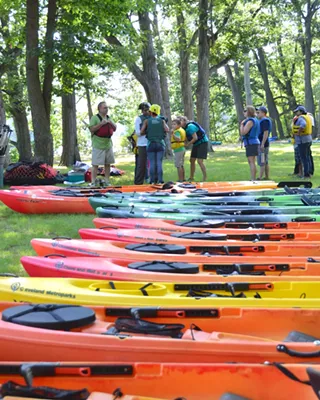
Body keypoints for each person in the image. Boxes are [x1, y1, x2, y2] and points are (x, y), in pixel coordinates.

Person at [140, 104, 169, 184]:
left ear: (151, 112)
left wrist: (148, 131)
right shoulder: (162, 120)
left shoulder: (146, 121)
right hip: (160, 144)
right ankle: (160, 180)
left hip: (150, 144)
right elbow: (167, 129)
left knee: (152, 163)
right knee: (159, 162)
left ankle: (152, 180)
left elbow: (141, 131)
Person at [89, 101, 117, 185]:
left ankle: (107, 181)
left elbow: (115, 128)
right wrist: (101, 124)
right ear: (99, 109)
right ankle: (93, 182)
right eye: (104, 107)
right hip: (98, 144)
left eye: (107, 107)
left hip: (108, 144)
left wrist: (110, 122)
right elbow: (91, 129)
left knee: (108, 163)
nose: (106, 109)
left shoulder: (109, 117)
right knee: (95, 164)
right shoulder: (95, 118)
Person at [179, 116, 208, 182]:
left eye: (181, 120)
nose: (179, 122)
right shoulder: (184, 129)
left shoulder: (190, 127)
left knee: (200, 161)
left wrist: (187, 144)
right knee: (192, 160)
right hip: (196, 144)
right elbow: (186, 138)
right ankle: (191, 177)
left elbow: (195, 138)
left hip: (202, 142)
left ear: (184, 121)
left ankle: (205, 177)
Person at [240, 105, 260, 181]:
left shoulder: (250, 121)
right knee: (251, 161)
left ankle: (253, 178)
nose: (243, 112)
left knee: (251, 161)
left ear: (249, 112)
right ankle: (253, 176)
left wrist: (241, 124)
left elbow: (244, 132)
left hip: (251, 143)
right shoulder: (255, 120)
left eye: (245, 111)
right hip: (253, 142)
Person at [292, 105, 312, 179]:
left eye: (297, 111)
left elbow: (303, 125)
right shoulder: (308, 117)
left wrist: (298, 133)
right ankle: (309, 172)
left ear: (301, 112)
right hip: (308, 139)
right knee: (307, 157)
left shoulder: (301, 118)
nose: (296, 113)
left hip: (302, 140)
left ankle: (306, 174)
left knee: (304, 158)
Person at [134, 102, 150, 184]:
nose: (146, 112)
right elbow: (138, 133)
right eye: (144, 110)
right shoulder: (139, 119)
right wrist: (147, 131)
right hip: (142, 144)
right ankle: (138, 182)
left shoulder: (153, 118)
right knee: (141, 164)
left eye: (147, 110)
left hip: (152, 143)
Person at [256, 106, 272, 180]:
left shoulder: (264, 121)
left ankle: (260, 177)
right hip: (263, 143)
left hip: (263, 144)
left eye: (258, 112)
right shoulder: (263, 121)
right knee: (265, 160)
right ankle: (266, 176)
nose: (257, 114)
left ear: (263, 113)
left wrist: (262, 143)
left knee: (262, 160)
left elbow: (266, 133)